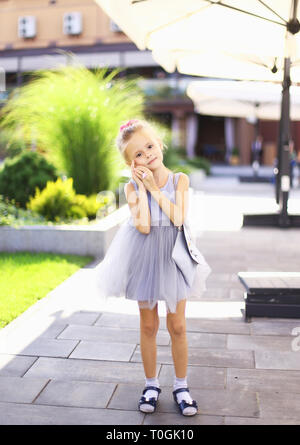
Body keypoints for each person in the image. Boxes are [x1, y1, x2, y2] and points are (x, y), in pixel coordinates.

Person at [94, 118, 211, 417]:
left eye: (149, 146)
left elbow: (177, 218)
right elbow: (144, 227)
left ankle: (181, 386)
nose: (147, 155)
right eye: (138, 154)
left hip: (174, 255)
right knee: (148, 325)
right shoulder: (131, 188)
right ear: (132, 163)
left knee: (178, 324)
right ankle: (151, 384)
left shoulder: (180, 180)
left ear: (159, 143)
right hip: (145, 256)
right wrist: (143, 188)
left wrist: (156, 189)